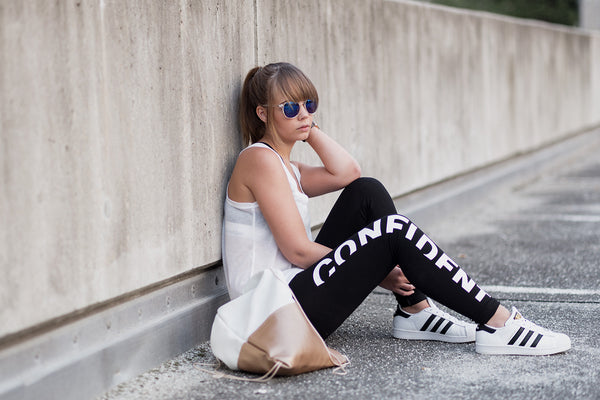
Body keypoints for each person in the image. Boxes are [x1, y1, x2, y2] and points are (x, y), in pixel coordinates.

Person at [222, 62, 571, 356]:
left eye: (309, 104)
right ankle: (498, 324)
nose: (303, 114)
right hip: (269, 317)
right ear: (262, 113)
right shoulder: (258, 160)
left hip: (291, 295)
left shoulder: (289, 168)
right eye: (290, 108)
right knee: (394, 231)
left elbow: (348, 173)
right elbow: (297, 250)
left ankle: (414, 309)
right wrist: (373, 269)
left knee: (366, 192)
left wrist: (306, 128)